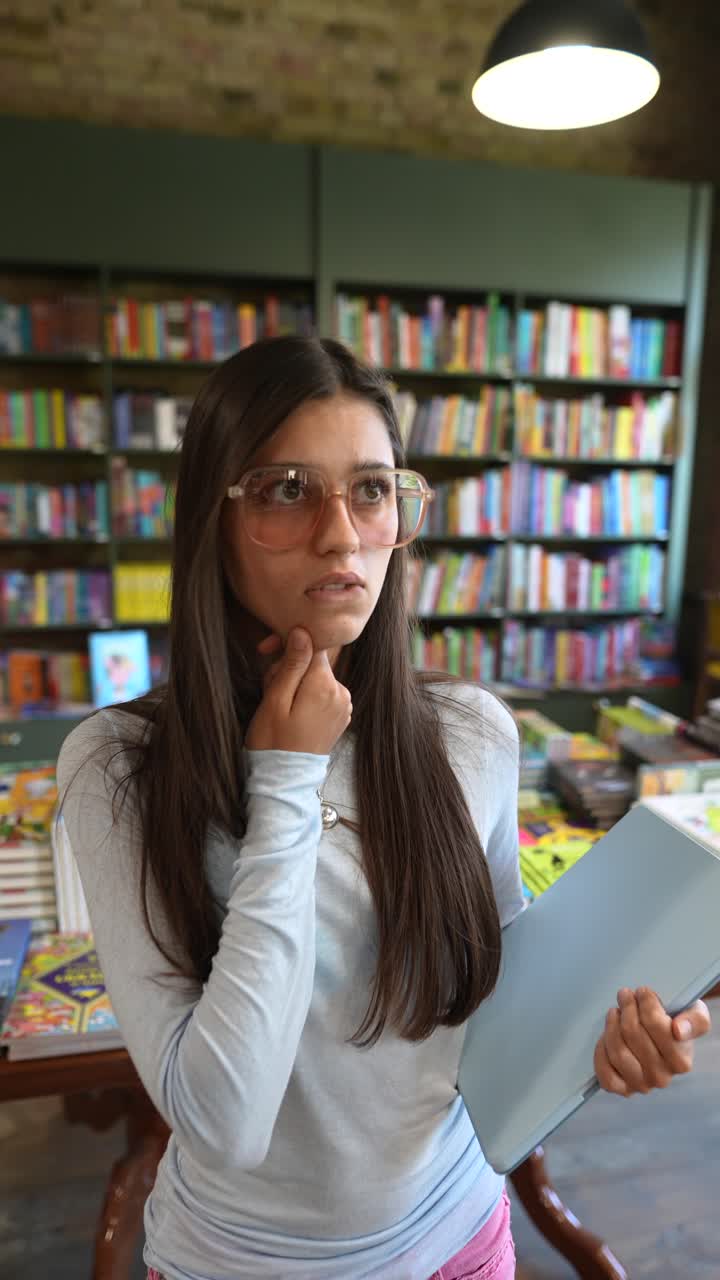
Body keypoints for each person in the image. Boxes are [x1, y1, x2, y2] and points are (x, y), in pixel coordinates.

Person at [56, 335, 711, 1280]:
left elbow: (493, 992)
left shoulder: (471, 732)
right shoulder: (118, 766)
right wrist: (284, 779)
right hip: (237, 1262)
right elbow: (224, 1120)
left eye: (370, 491)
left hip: (460, 1238)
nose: (340, 533)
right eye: (286, 488)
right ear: (213, 513)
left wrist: (604, 1037)